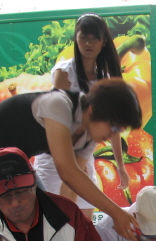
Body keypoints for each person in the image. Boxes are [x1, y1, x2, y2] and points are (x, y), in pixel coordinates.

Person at [0, 78, 142, 241]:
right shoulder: (59, 104)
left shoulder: (87, 137)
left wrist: (67, 231)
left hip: (11, 163)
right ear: (93, 111)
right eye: (114, 127)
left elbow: (70, 189)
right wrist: (117, 213)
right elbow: (67, 171)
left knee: (46, 219)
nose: (113, 135)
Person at [34, 13, 129, 218]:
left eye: (94, 38)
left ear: (103, 42)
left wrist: (120, 166)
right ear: (75, 39)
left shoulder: (105, 79)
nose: (88, 43)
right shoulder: (64, 72)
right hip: (55, 159)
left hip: (83, 160)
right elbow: (59, 122)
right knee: (56, 221)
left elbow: (111, 127)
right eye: (83, 37)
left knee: (84, 223)